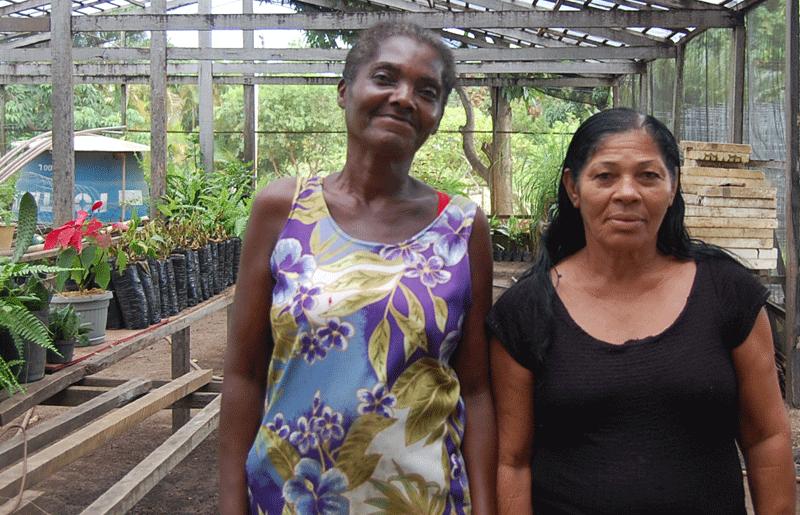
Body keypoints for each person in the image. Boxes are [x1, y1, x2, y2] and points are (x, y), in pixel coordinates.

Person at [219, 22, 496, 515]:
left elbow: (474, 389)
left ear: (437, 117)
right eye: (385, 78)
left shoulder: (461, 227)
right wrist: (230, 505)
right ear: (345, 91)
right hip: (291, 500)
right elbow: (243, 374)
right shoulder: (283, 210)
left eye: (426, 91)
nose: (404, 98)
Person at [488, 108, 795, 515]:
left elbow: (767, 437)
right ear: (573, 188)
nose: (627, 193)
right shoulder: (525, 312)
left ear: (672, 186)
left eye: (648, 176)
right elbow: (512, 462)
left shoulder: (728, 293)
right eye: (605, 176)